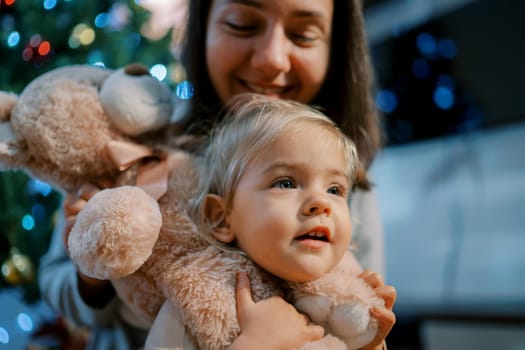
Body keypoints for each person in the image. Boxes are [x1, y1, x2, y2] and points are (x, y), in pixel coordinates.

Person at [38, 0, 396, 349]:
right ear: (202, 28)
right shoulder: (134, 149)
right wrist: (95, 257)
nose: (272, 58)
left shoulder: (346, 178)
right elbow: (56, 285)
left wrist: (363, 332)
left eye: (303, 34)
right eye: (243, 24)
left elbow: (354, 314)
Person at [145, 94, 394, 350]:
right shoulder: (199, 302)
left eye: (335, 189)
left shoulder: (345, 298)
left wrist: (368, 345)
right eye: (285, 183)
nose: (321, 203)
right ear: (221, 218)